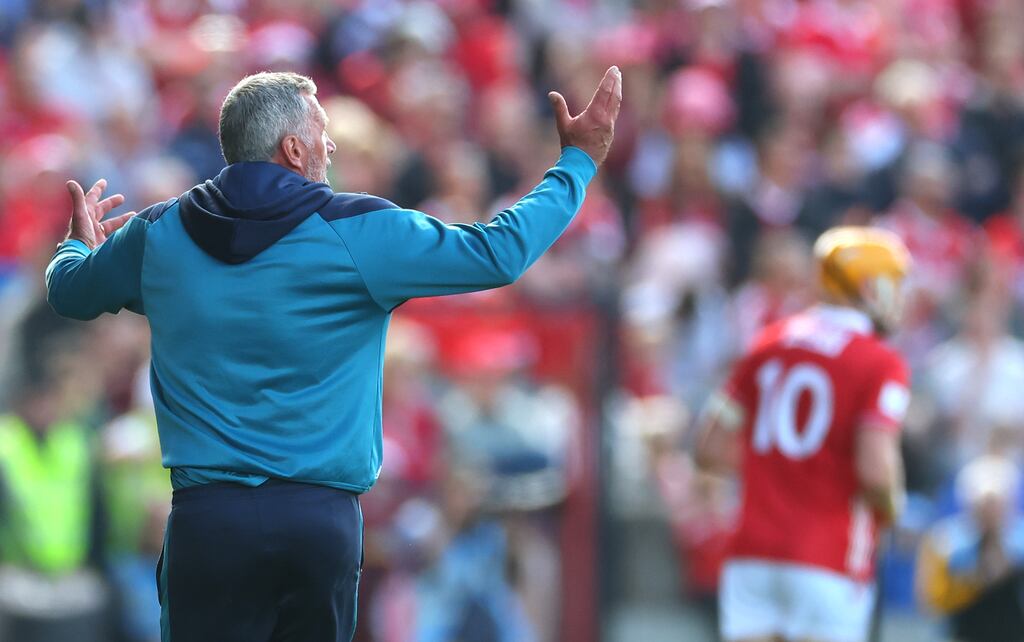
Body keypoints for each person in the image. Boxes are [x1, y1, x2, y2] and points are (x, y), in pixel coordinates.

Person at [44, 67, 621, 642]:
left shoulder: (156, 234)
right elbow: (500, 253)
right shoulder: (358, 230)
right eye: (322, 131)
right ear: (293, 149)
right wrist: (576, 165)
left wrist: (77, 244)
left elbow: (69, 292)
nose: (332, 144)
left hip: (207, 521)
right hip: (317, 524)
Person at [695, 226, 913, 642]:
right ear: (866, 286)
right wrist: (892, 507)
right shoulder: (880, 361)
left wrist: (774, 470)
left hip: (752, 552)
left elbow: (707, 446)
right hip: (827, 556)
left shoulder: (767, 341)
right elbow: (875, 471)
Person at [917, 455, 1024, 642]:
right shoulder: (945, 542)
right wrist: (976, 580)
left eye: (997, 505)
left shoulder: (1019, 541)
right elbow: (930, 601)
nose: (991, 514)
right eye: (985, 506)